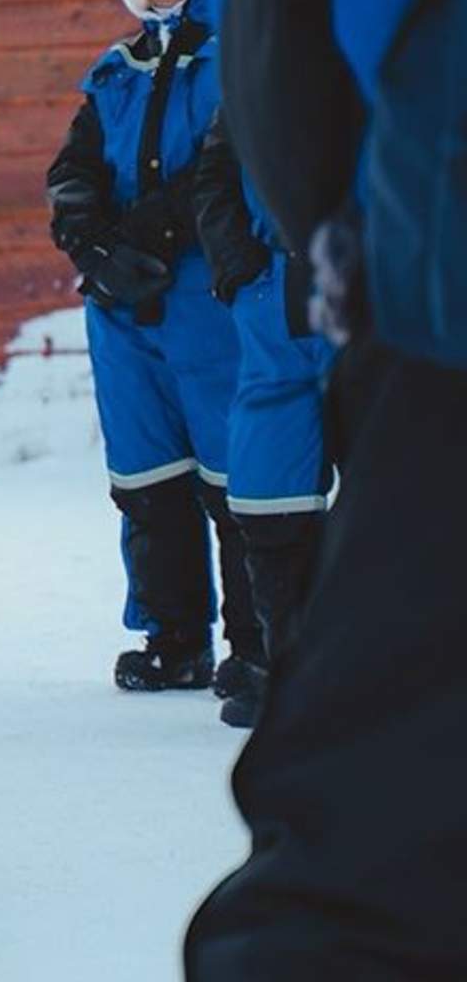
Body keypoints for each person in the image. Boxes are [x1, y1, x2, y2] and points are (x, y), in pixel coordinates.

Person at [185, 0, 467, 974]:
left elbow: (278, 61)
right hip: (383, 309)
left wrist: (351, 250)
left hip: (429, 341)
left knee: (360, 845)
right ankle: (257, 641)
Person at [45, 0, 254, 695]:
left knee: (235, 474)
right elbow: (74, 170)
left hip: (207, 298)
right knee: (147, 476)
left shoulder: (234, 59)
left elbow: (223, 167)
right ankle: (173, 636)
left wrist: (151, 237)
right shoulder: (114, 70)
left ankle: (257, 639)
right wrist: (91, 244)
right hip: (124, 309)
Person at [191, 109, 334, 728]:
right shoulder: (254, 66)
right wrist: (236, 266)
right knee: (266, 498)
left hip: (375, 304)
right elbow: (215, 173)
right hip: (272, 301)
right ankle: (290, 671)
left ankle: (391, 676)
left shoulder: (396, 51)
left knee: (396, 496)